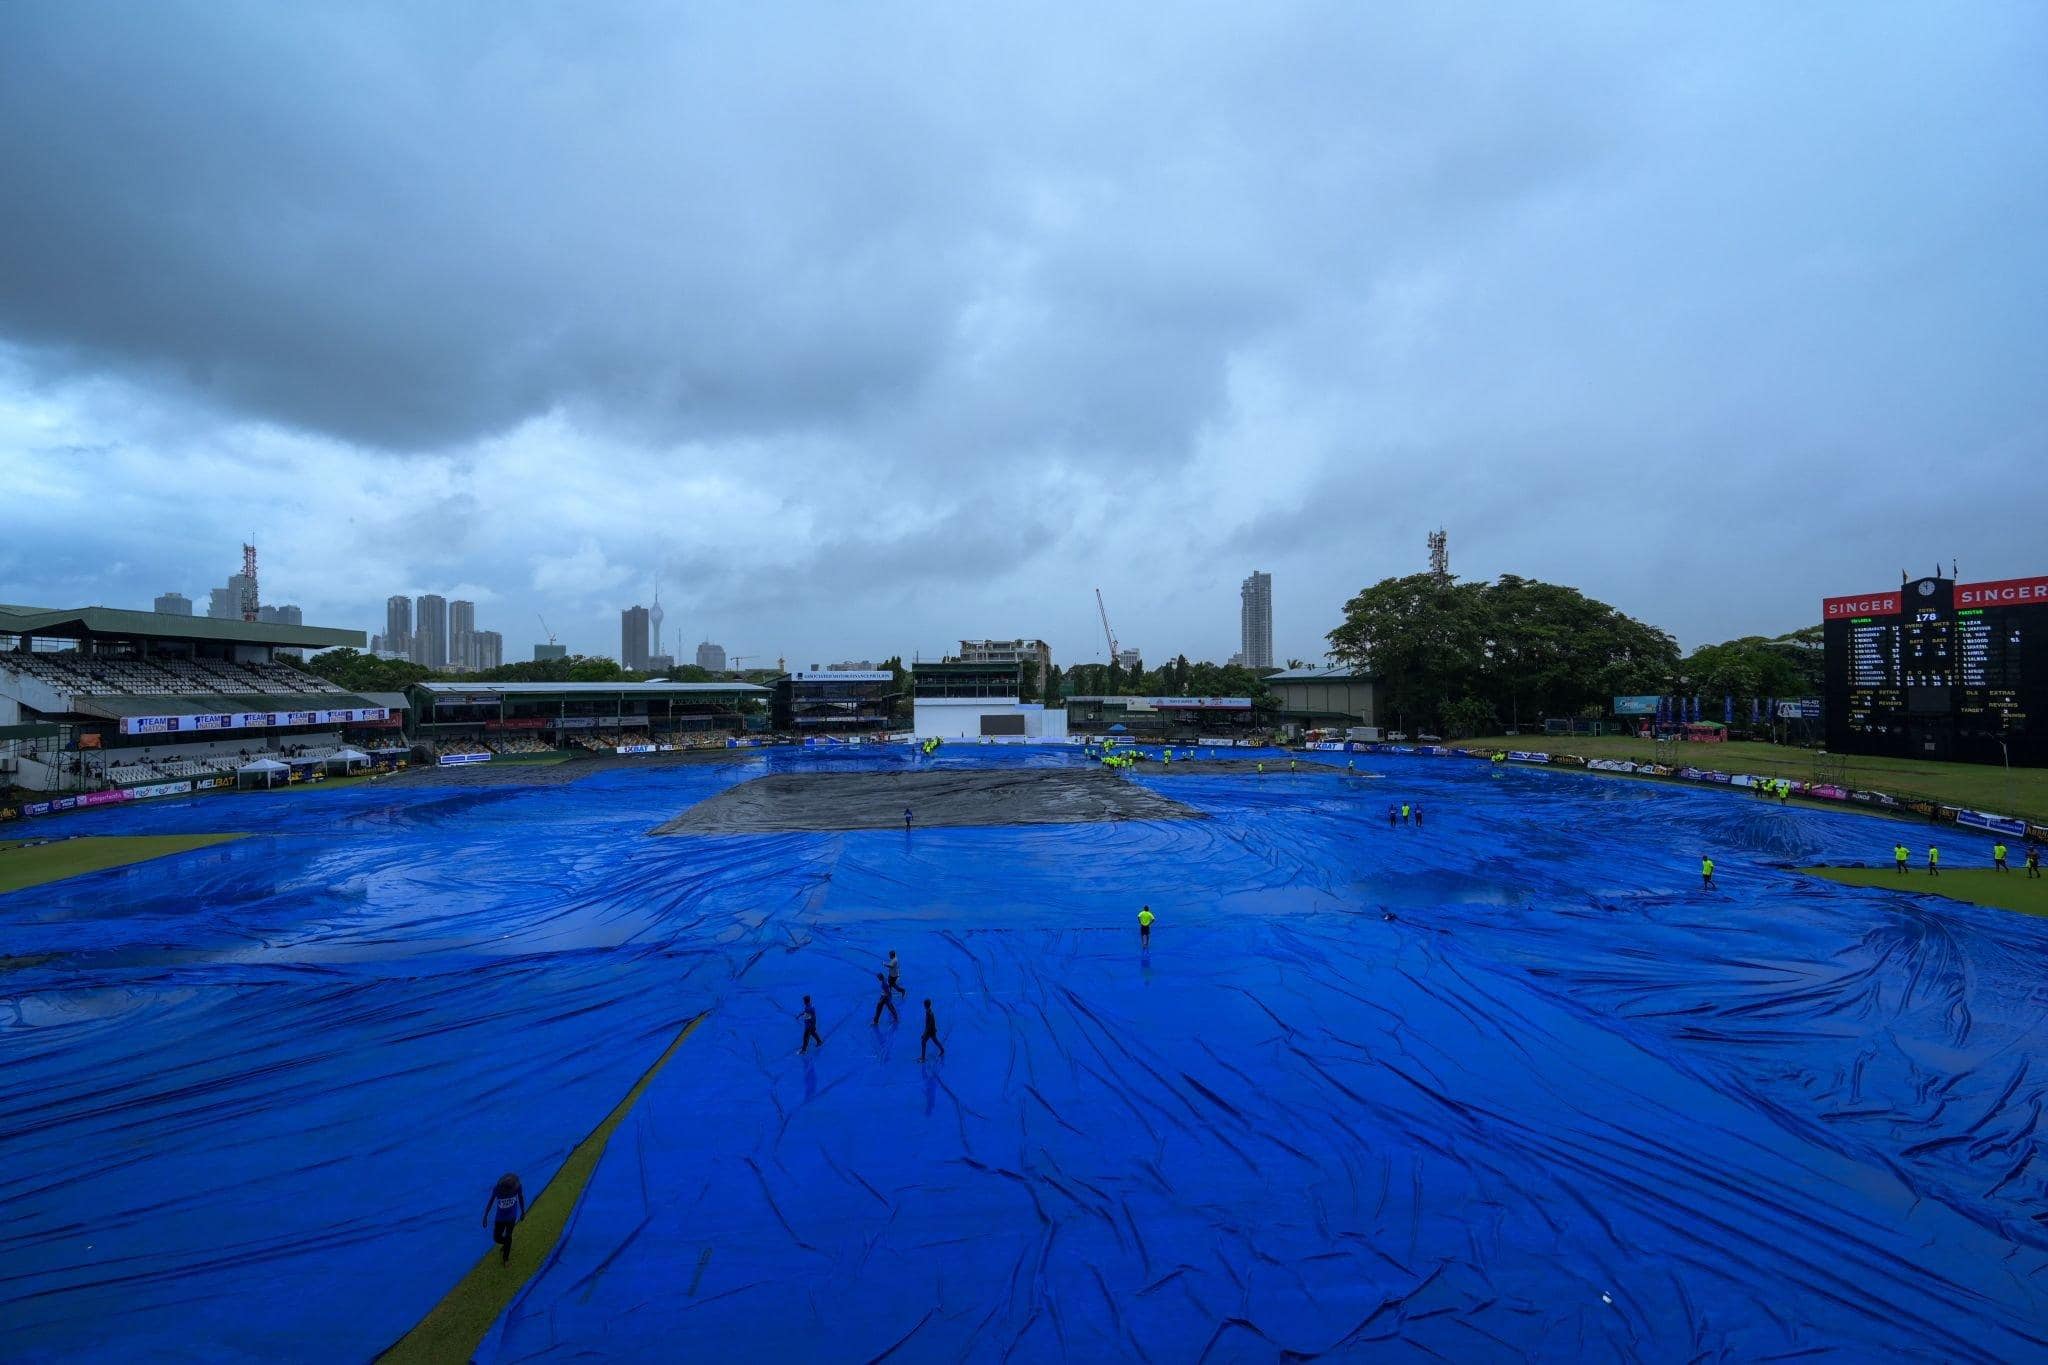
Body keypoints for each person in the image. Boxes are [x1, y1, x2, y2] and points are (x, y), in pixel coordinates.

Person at [483, 1172, 526, 1265]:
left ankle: (505, 1258)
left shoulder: (517, 1187)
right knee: (497, 1238)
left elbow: (521, 1197)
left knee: (508, 1236)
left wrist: (523, 1211)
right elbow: (491, 1201)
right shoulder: (497, 1189)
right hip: (500, 1218)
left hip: (511, 1217)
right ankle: (506, 1244)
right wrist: (485, 1215)